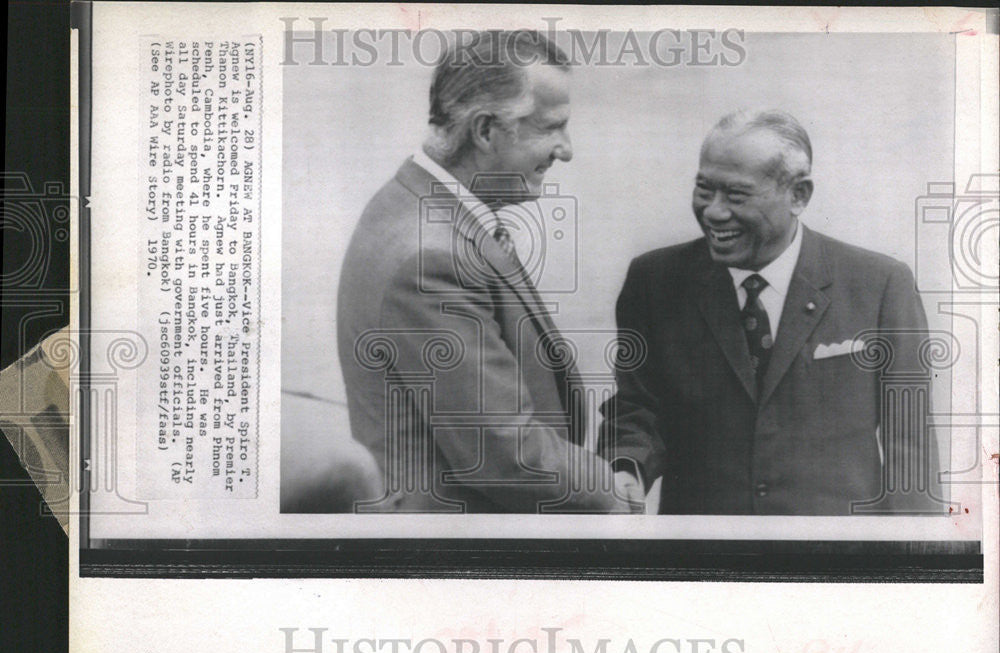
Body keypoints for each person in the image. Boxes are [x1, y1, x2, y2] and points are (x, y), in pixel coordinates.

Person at [337, 30, 642, 513]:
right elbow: (505, 457)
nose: (566, 149)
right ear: (484, 130)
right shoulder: (431, 257)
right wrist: (611, 492)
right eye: (550, 127)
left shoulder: (419, 206)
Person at [599, 109, 945, 515]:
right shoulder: (653, 280)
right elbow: (637, 407)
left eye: (736, 195)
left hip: (837, 559)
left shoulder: (880, 284)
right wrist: (625, 469)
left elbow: (911, 446)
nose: (713, 211)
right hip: (705, 559)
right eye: (704, 189)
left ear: (799, 195)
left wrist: (912, 558)